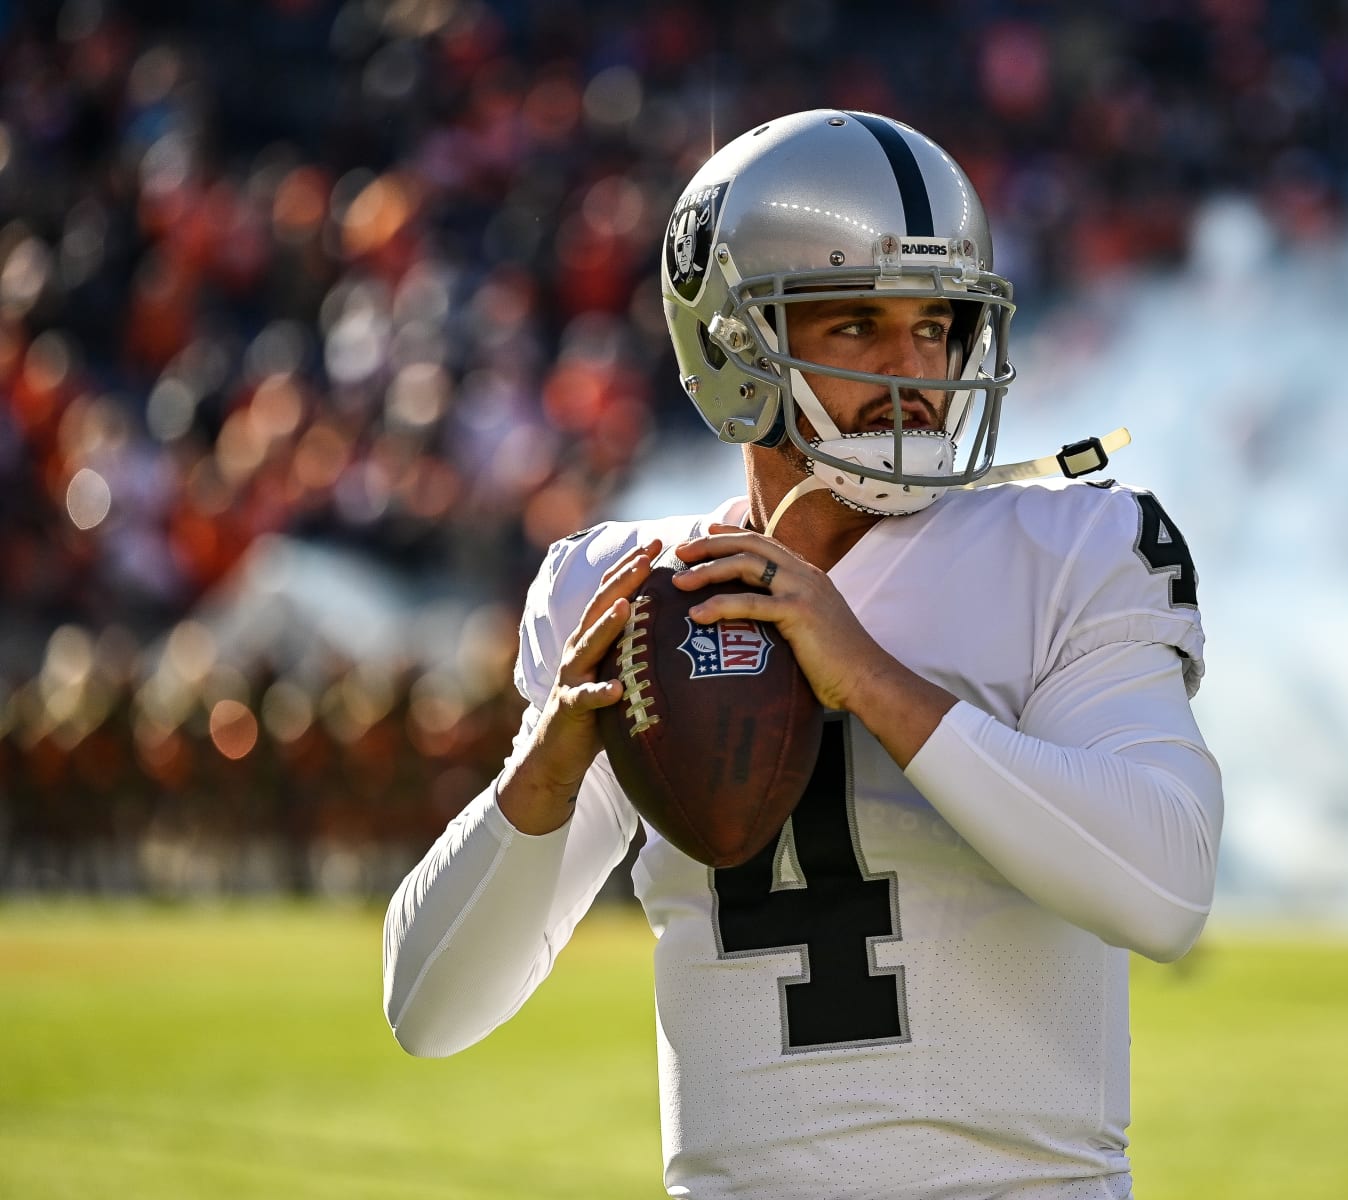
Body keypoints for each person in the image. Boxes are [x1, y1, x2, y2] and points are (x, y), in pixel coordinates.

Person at [383, 109, 1224, 1200]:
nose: (916, 373)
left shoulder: (1074, 544)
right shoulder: (633, 592)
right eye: (858, 328)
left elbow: (1165, 884)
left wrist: (871, 680)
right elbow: (431, 1010)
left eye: (937, 326)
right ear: (733, 344)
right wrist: (541, 773)